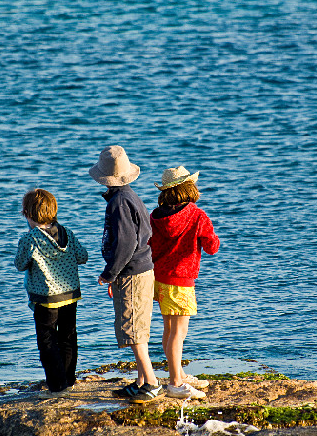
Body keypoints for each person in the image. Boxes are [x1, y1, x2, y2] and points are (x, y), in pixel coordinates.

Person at [89, 145, 161, 403]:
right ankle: (141, 381)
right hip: (138, 270)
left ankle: (151, 382)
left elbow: (126, 244)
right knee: (135, 328)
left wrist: (110, 273)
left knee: (133, 330)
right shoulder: (130, 197)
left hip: (132, 272)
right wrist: (116, 274)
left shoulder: (119, 202)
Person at [148, 166, 219, 400]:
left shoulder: (155, 216)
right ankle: (176, 383)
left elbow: (151, 246)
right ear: (189, 188)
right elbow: (212, 247)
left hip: (160, 278)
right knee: (179, 332)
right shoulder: (197, 215)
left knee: (169, 329)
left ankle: (176, 373)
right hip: (181, 280)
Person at [14, 188, 88, 398]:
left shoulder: (30, 239)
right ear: (53, 210)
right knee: (68, 336)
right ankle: (68, 379)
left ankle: (56, 386)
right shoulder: (67, 233)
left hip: (45, 298)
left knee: (47, 342)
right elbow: (83, 256)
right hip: (70, 294)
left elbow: (20, 264)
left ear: (28, 214)